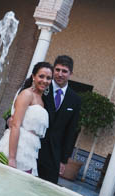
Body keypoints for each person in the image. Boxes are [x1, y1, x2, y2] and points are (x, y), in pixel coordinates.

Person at [0, 62, 53, 176]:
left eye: (48, 78)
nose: (45, 80)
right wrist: (12, 158)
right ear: (33, 76)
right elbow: (15, 125)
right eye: (41, 76)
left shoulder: (43, 99)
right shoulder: (26, 94)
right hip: (17, 148)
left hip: (30, 151)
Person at [37, 55, 81, 184]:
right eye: (57, 70)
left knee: (45, 191)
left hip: (54, 155)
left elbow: (71, 131)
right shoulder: (42, 86)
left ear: (70, 74)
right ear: (53, 69)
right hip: (34, 146)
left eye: (64, 71)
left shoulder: (75, 100)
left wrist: (64, 160)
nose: (60, 74)